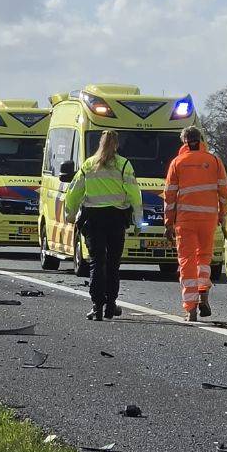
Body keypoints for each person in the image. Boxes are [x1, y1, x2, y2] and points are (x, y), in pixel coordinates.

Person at [64, 130, 141, 321]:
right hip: (116, 219)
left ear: (100, 143)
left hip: (93, 219)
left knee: (97, 263)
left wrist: (70, 214)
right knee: (113, 264)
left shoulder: (89, 164)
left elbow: (74, 191)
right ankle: (111, 304)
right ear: (116, 145)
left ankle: (97, 306)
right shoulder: (124, 165)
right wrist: (138, 220)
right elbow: (134, 194)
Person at [164, 125, 227, 321]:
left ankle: (190, 308)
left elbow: (169, 196)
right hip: (208, 220)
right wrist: (221, 214)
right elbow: (224, 192)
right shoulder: (214, 161)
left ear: (184, 141)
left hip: (185, 220)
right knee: (204, 259)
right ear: (201, 140)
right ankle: (204, 296)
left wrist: (168, 222)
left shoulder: (177, 163)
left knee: (187, 262)